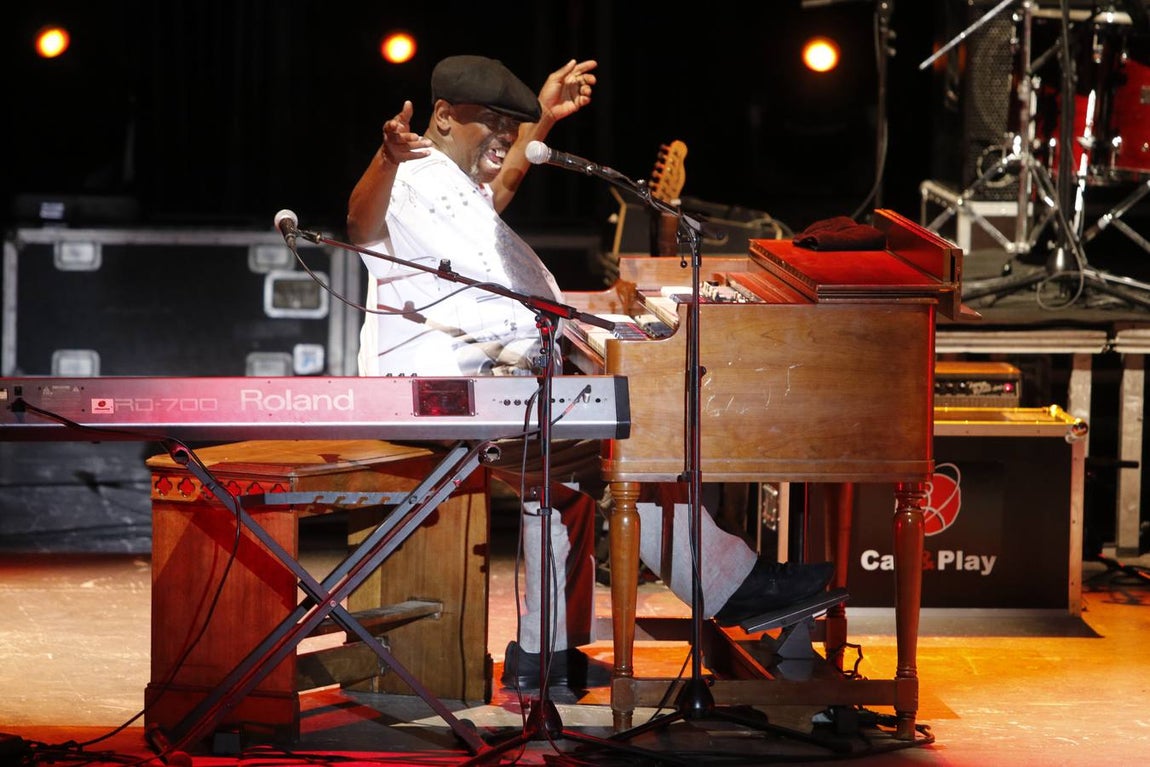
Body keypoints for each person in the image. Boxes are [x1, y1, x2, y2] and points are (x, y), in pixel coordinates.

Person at [347, 54, 834, 691]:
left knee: (566, 477)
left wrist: (544, 119)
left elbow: (495, 194)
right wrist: (384, 158)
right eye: (491, 120)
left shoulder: (453, 186)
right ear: (441, 117)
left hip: (482, 388)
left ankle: (543, 655)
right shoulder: (406, 177)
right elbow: (360, 224)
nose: (505, 134)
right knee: (625, 447)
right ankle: (733, 586)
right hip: (436, 395)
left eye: (511, 123)